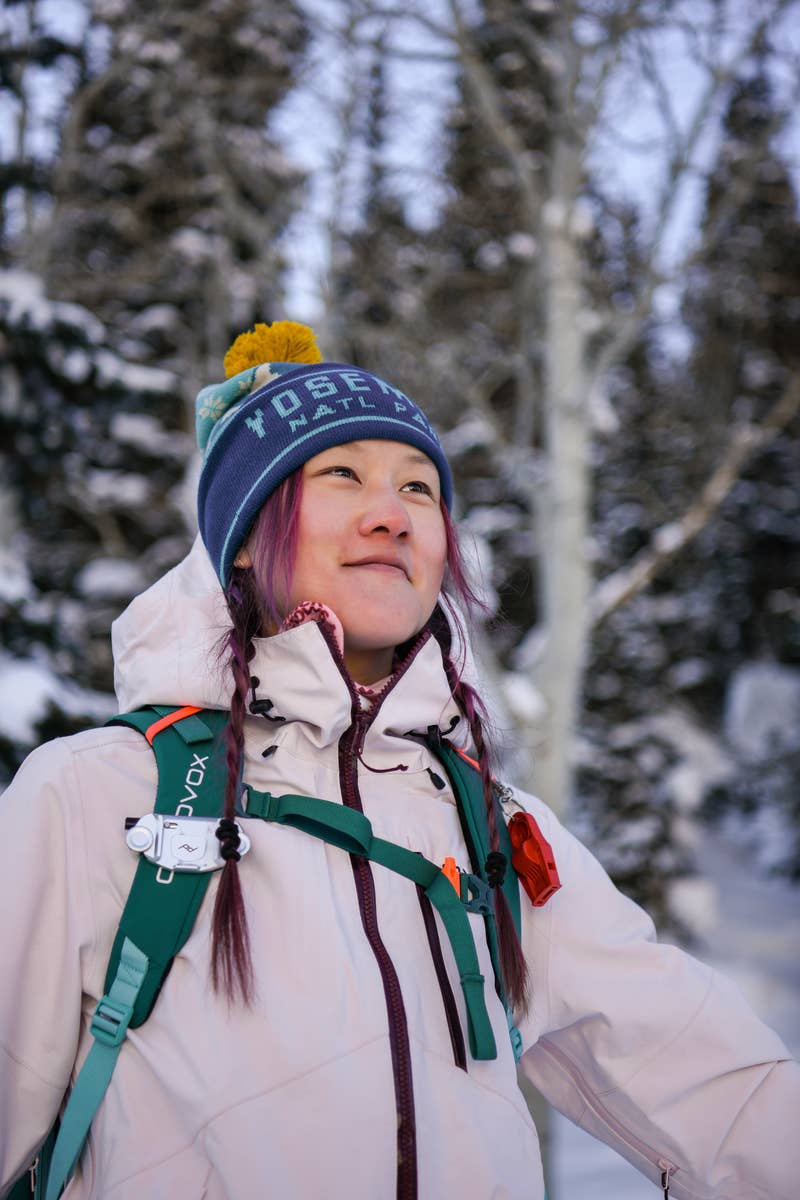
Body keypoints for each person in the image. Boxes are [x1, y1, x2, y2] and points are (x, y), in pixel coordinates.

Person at [0, 320, 797, 1200]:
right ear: (249, 534)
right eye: (341, 475)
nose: (392, 511)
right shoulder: (94, 795)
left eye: (420, 488)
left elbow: (696, 1068)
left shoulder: (492, 824)